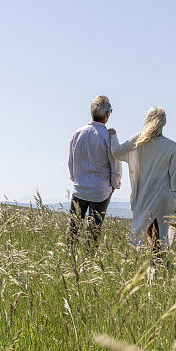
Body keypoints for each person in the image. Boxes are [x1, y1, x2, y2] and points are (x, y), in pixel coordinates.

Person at [109, 106, 176, 247]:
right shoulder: (172, 146)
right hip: (165, 197)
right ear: (164, 123)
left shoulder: (138, 140)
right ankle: (161, 266)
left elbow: (117, 152)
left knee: (149, 232)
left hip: (145, 195)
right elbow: (175, 177)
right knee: (162, 238)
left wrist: (113, 135)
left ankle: (151, 266)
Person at [67, 95, 121, 246]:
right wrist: (114, 185)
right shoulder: (109, 136)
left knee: (73, 230)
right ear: (107, 115)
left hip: (80, 188)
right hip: (101, 190)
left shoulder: (78, 133)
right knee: (93, 233)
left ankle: (70, 261)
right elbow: (115, 163)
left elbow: (71, 162)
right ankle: (89, 262)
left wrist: (76, 178)